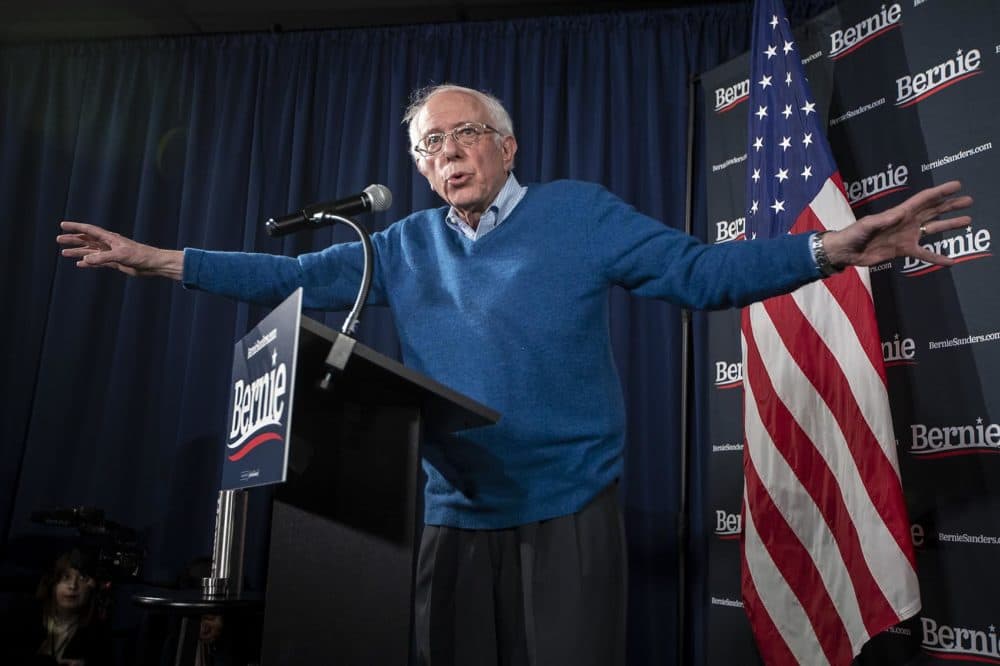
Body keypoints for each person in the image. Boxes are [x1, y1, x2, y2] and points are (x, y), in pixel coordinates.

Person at [57, 84, 972, 665]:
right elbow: (289, 280)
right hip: (452, 516)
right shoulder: (404, 245)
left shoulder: (580, 215)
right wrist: (158, 259)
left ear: (506, 144)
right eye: (427, 145)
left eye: (463, 134)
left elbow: (700, 274)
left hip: (568, 509)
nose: (445, 153)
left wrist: (828, 248)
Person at [4, 549, 113, 666]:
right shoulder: (22, 614)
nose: (72, 586)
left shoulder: (97, 634)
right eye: (66, 577)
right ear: (53, 582)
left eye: (82, 578)